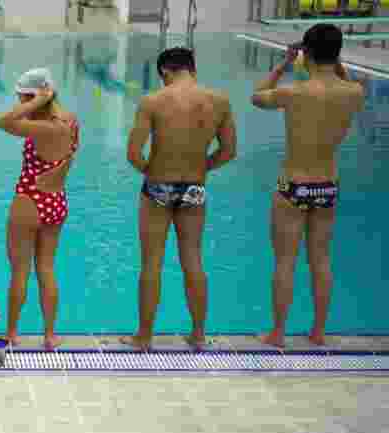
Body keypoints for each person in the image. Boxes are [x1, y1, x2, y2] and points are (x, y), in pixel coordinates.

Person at [251, 25, 364, 348]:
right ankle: (318, 332)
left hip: (294, 186)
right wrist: (334, 61)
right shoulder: (354, 92)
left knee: (285, 262)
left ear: (306, 52)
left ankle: (278, 333)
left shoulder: (293, 92)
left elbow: (257, 96)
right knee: (321, 261)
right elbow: (343, 79)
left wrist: (284, 64)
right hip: (327, 187)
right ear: (337, 54)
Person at [123, 47, 237, 351]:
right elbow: (229, 151)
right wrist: (202, 168)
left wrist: (152, 173)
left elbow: (133, 153)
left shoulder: (153, 101)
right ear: (192, 69)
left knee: (152, 263)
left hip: (158, 187)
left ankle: (144, 337)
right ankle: (198, 335)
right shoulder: (220, 101)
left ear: (165, 72)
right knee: (193, 261)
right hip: (194, 188)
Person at [0, 67, 79, 350]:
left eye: (21, 97)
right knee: (46, 268)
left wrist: (35, 102)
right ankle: (50, 335)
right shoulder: (70, 121)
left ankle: (11, 333)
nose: (19, 103)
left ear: (33, 97)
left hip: (30, 201)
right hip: (56, 202)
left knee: (20, 271)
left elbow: (2, 122)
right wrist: (39, 103)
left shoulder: (45, 128)